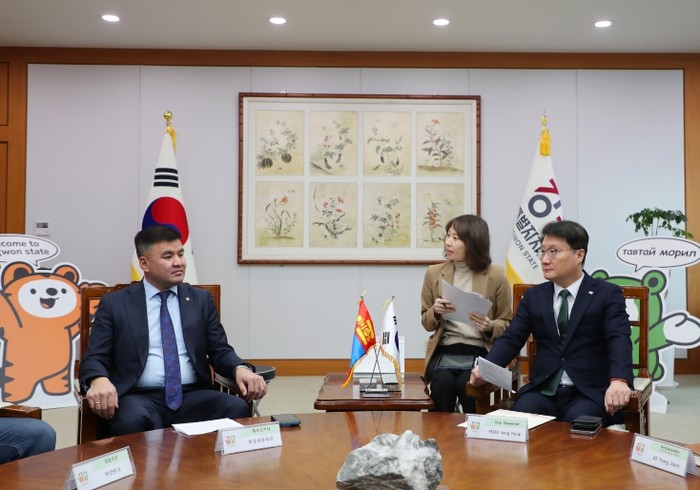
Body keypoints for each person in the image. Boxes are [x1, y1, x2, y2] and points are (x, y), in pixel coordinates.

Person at [78, 225, 267, 436]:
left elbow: (220, 350)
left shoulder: (200, 300)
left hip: (191, 395)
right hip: (138, 396)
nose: (179, 262)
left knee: (235, 407)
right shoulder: (116, 303)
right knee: (131, 418)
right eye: (168, 256)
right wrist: (99, 380)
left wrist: (240, 369)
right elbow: (95, 357)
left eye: (181, 254)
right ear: (144, 263)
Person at [470, 220, 632, 423]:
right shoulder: (534, 296)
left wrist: (619, 380)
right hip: (543, 390)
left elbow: (619, 338)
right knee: (521, 418)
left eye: (553, 252)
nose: (545, 259)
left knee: (580, 424)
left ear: (579, 255)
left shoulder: (606, 294)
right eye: (543, 251)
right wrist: (486, 367)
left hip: (588, 392)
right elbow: (512, 338)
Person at [421, 214, 512, 412]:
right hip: (445, 348)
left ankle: (474, 432)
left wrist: (490, 326)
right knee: (442, 382)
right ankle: (440, 431)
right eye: (448, 235)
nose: (448, 242)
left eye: (456, 238)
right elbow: (426, 322)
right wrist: (436, 311)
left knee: (466, 383)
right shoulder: (434, 273)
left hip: (481, 350)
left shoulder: (495, 275)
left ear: (473, 243)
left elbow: (507, 322)